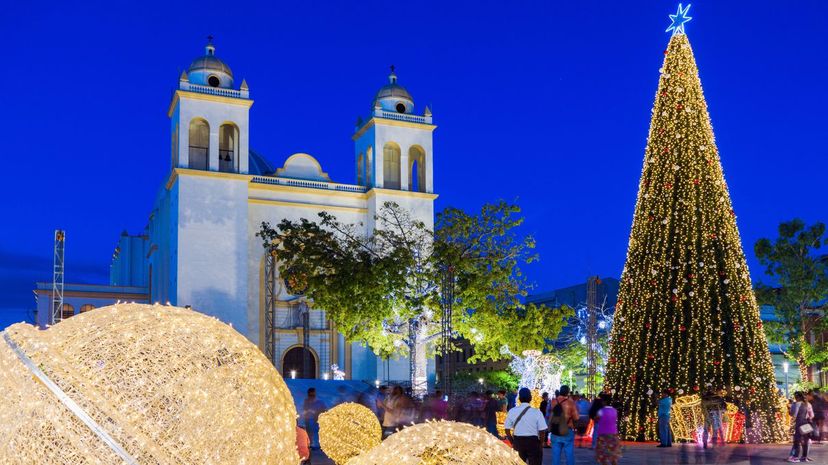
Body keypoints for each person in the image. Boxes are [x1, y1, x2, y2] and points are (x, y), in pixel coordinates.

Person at [504, 388, 547, 465]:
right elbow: (542, 431)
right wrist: (540, 443)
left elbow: (507, 429)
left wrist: (512, 442)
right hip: (533, 442)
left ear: (519, 398)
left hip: (518, 441)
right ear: (530, 398)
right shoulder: (537, 412)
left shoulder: (512, 411)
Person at [548, 385, 579, 465]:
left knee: (555, 456)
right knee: (569, 455)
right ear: (568, 392)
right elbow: (576, 418)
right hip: (567, 430)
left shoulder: (553, 401)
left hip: (555, 430)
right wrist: (575, 428)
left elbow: (550, 414)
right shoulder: (571, 402)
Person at [594, 393, 621, 465]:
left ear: (604, 402)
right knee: (613, 452)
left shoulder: (601, 411)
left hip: (603, 434)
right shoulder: (614, 411)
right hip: (613, 434)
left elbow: (596, 419)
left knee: (603, 454)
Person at [788, 391, 814, 463]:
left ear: (797, 397)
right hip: (805, 423)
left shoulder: (797, 404)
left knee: (797, 441)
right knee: (805, 441)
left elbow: (794, 415)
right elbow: (811, 416)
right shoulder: (807, 404)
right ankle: (804, 457)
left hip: (799, 423)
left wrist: (789, 410)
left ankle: (795, 457)